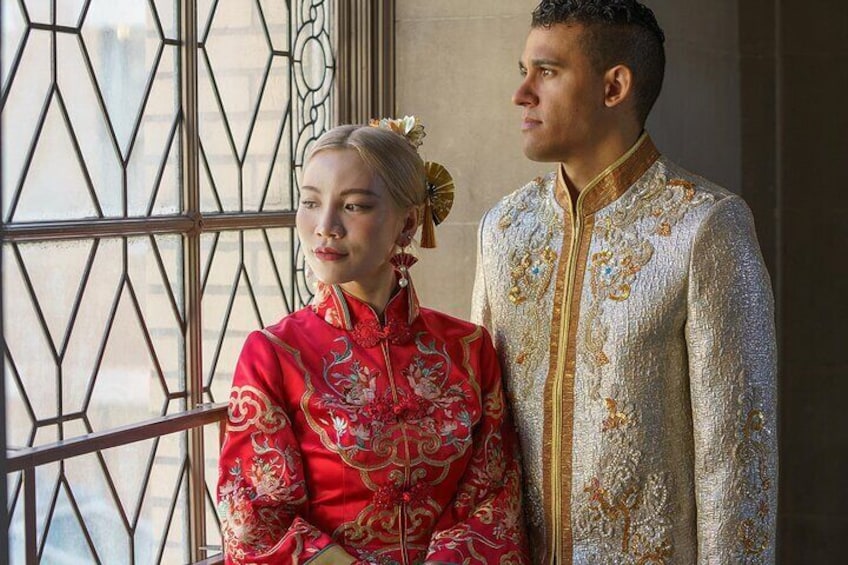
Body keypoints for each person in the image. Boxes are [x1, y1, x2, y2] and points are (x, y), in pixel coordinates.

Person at [471, 1, 778, 563]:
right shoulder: (505, 229)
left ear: (614, 87)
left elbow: (737, 454)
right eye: (524, 72)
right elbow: (483, 429)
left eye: (547, 71)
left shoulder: (704, 226)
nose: (522, 94)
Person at [217, 118, 528, 564]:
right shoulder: (274, 354)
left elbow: (495, 499)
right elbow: (255, 517)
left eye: (355, 206)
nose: (325, 226)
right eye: (310, 202)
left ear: (408, 223)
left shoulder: (469, 349)